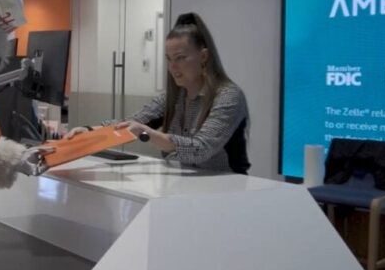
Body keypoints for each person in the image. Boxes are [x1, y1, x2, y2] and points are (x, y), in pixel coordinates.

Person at [67, 12, 250, 173]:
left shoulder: (228, 96)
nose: (172, 67)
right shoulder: (173, 97)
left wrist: (147, 133)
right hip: (186, 184)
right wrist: (89, 131)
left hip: (228, 188)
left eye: (180, 58)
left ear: (203, 56)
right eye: (169, 59)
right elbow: (133, 122)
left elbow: (201, 149)